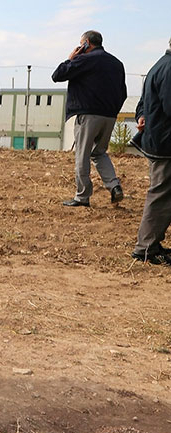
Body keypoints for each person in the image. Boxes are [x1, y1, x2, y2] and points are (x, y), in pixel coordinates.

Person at [52, 30, 126, 207]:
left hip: (88, 115)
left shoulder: (84, 59)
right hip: (109, 116)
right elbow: (123, 92)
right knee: (99, 152)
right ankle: (114, 186)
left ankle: (82, 197)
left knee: (82, 155)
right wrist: (113, 111)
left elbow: (57, 75)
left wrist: (71, 58)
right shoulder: (117, 63)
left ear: (86, 43)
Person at [130, 38, 171, 266]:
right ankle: (145, 248)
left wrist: (142, 116)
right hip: (165, 144)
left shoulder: (160, 65)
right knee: (160, 195)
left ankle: (151, 244)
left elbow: (144, 104)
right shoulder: (169, 68)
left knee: (163, 195)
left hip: (159, 141)